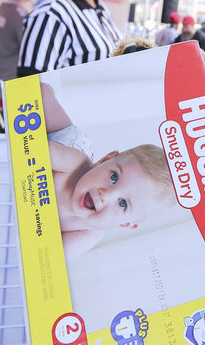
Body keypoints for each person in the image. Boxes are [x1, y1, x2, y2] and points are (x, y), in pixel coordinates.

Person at [40, 83, 176, 260]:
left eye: (122, 204)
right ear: (105, 160)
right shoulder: (74, 163)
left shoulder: (88, 233)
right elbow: (27, 151)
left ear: (125, 223)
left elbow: (48, 259)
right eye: (114, 176)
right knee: (40, 95)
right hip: (67, 144)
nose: (106, 195)